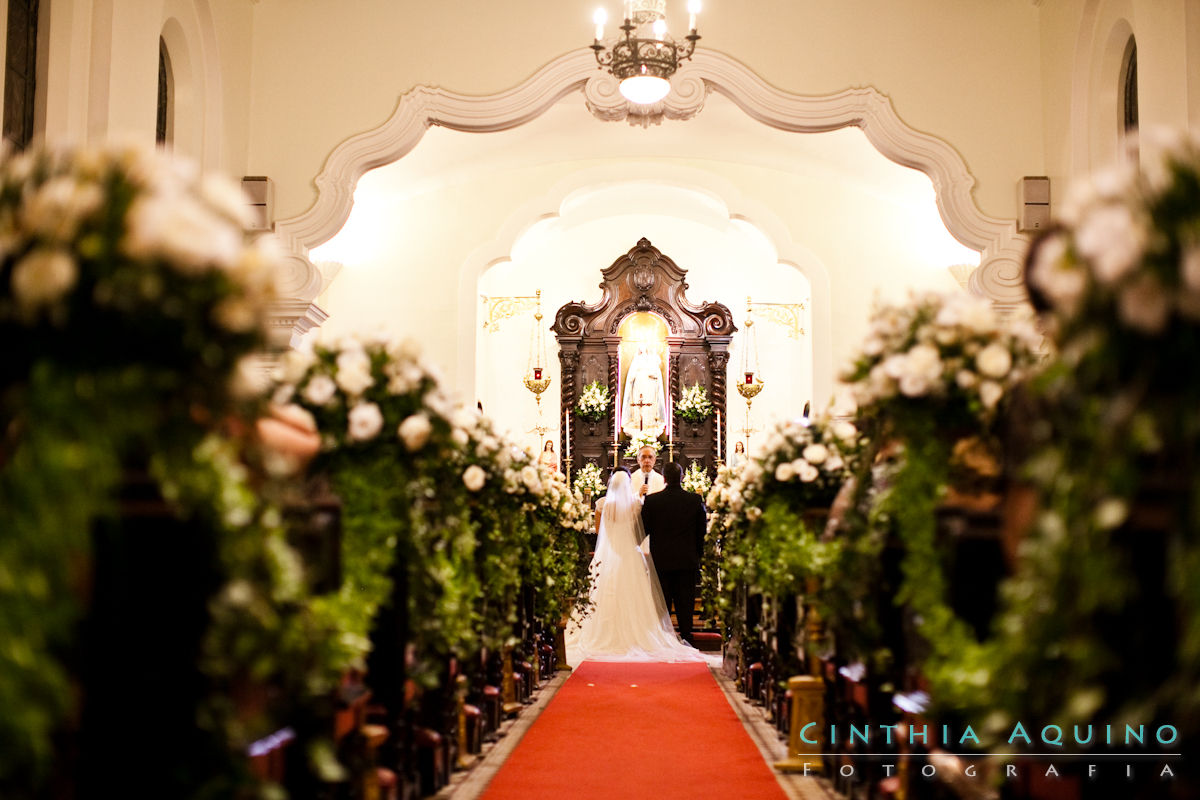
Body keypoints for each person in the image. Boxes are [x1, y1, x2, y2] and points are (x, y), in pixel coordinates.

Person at [567, 468, 704, 663]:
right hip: (635, 557)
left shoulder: (604, 505)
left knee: (606, 594)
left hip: (610, 558)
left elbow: (602, 533)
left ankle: (606, 632)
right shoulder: (636, 505)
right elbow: (641, 532)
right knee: (643, 598)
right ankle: (662, 634)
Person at [640, 462, 708, 645]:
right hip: (687, 559)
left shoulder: (652, 501)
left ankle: (662, 639)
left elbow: (643, 530)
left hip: (661, 560)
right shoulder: (694, 500)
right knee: (685, 601)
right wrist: (698, 555)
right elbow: (702, 530)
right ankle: (686, 637)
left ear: (664, 479)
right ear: (682, 477)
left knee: (662, 602)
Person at [621, 346, 667, 437]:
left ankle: (650, 425)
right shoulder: (636, 361)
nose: (644, 354)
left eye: (645, 351)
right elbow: (631, 377)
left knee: (650, 405)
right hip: (638, 385)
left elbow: (656, 374)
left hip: (650, 386)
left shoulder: (653, 361)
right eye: (642, 352)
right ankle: (637, 425)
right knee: (638, 405)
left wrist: (651, 373)